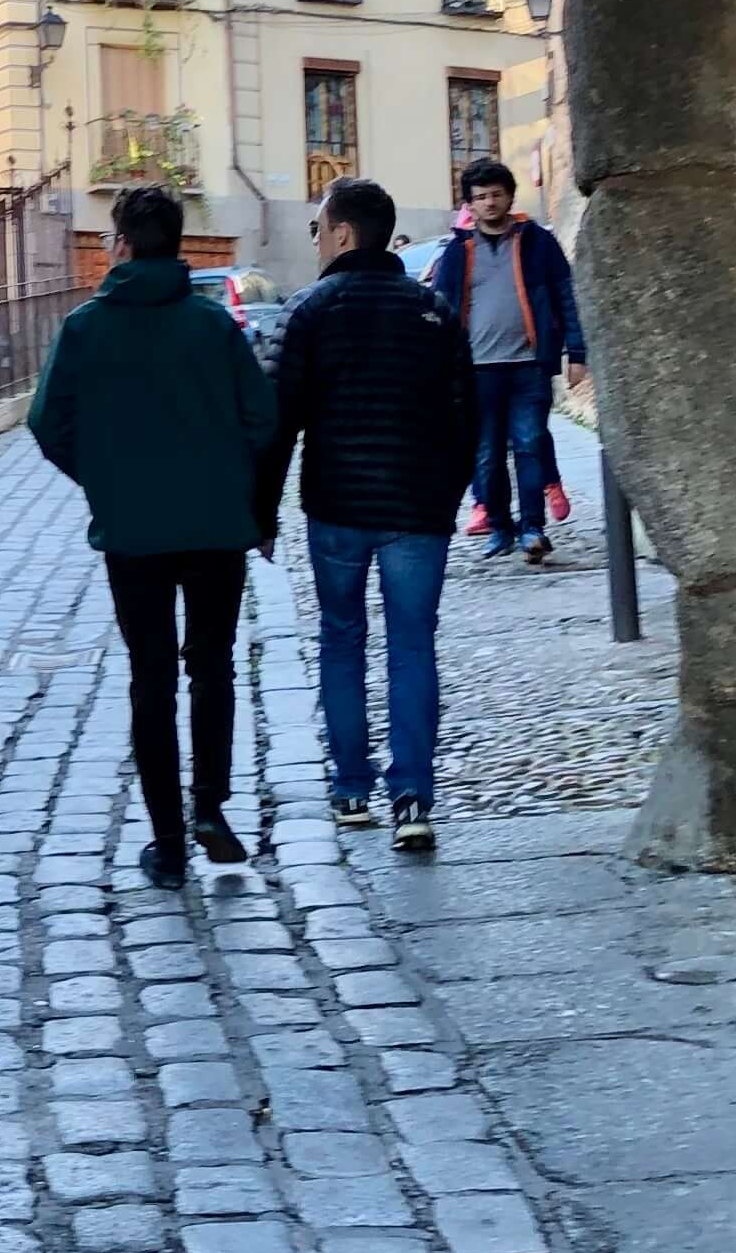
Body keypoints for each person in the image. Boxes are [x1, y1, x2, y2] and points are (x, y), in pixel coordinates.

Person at [27, 180, 279, 886]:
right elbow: (262, 419)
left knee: (151, 679)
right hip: (214, 527)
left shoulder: (86, 327)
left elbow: (49, 423)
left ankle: (166, 841)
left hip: (133, 532)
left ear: (123, 244)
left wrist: (107, 479)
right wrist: (232, 485)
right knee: (213, 667)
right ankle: (211, 807)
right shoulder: (212, 325)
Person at [268, 173, 476, 855]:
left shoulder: (311, 310)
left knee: (342, 638)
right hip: (417, 509)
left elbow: (279, 424)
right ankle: (412, 798)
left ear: (344, 233)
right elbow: (465, 420)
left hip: (337, 506)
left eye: (319, 227)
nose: (317, 239)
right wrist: (444, 497)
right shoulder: (435, 312)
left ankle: (351, 788)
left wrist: (260, 511)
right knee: (414, 645)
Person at [425, 157, 586, 566]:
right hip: (476, 371)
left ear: (509, 197)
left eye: (496, 194)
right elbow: (440, 311)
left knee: (531, 443)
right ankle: (500, 527)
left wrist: (576, 353)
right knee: (487, 453)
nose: (489, 203)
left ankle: (533, 528)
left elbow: (566, 296)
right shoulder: (458, 253)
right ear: (470, 205)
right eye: (480, 197)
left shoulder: (538, 242)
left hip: (529, 364)